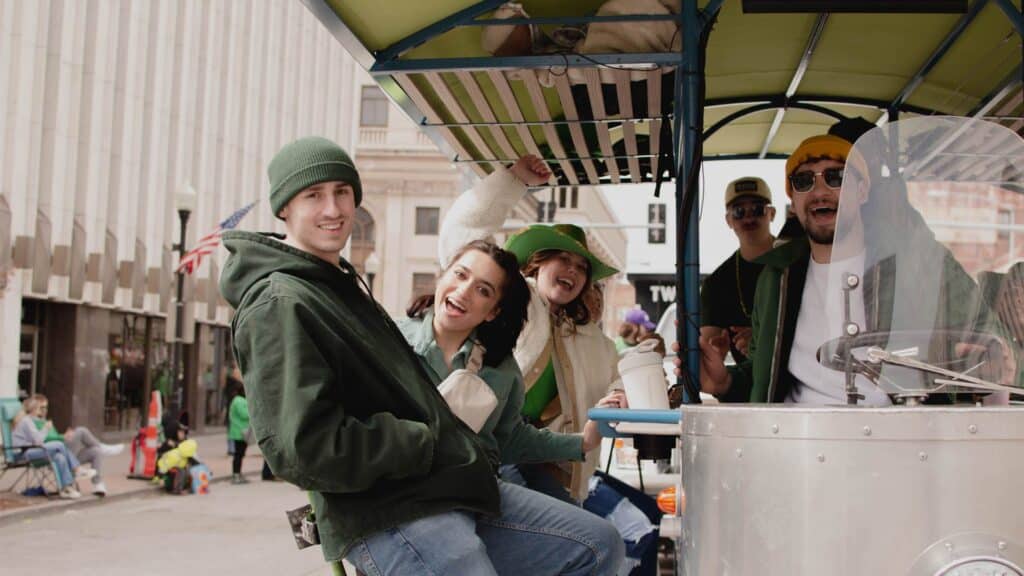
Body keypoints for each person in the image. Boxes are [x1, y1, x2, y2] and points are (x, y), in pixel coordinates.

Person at [220, 136, 623, 574]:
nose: (333, 209)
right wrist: (426, 440)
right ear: (285, 208)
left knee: (600, 545)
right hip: (389, 507)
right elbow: (304, 448)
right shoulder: (281, 302)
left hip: (451, 484)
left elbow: (509, 434)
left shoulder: (338, 286)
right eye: (313, 196)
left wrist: (583, 438)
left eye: (343, 193)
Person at [696, 131, 1000, 405]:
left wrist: (994, 360)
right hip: (796, 444)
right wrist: (724, 382)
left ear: (863, 191)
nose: (819, 191)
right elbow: (764, 377)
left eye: (836, 177)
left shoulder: (914, 265)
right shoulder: (776, 279)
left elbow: (986, 345)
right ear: (794, 199)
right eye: (804, 181)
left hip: (896, 444)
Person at [440, 154, 628, 504]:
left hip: (546, 460)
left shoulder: (593, 341)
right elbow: (461, 238)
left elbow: (621, 378)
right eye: (563, 259)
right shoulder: (513, 296)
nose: (572, 270)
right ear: (537, 265)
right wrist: (513, 180)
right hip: (485, 450)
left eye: (581, 267)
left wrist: (625, 391)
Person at [399, 240, 621, 475]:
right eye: (460, 275)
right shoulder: (388, 338)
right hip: (413, 492)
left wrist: (583, 441)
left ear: (494, 311)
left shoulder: (503, 366)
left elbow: (510, 438)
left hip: (479, 485)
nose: (464, 291)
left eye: (483, 290)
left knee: (577, 514)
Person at [700, 177, 776, 364]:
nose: (748, 218)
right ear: (728, 220)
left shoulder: (797, 261)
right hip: (747, 389)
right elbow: (708, 347)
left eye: (757, 210)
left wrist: (764, 340)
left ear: (771, 213)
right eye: (739, 211)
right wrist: (714, 351)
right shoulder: (717, 283)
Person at [9, 395, 97, 499]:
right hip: (23, 454)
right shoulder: (27, 421)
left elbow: (37, 441)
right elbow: (38, 440)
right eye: (40, 408)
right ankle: (76, 469)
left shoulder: (31, 421)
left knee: (59, 456)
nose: (43, 410)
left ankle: (66, 488)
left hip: (31, 450)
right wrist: (46, 428)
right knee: (59, 445)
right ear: (34, 409)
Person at [227, 385, 250, 484]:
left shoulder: (238, 400)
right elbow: (245, 414)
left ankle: (238, 474)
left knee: (240, 454)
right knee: (238, 454)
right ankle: (236, 474)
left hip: (241, 431)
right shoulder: (239, 401)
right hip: (239, 432)